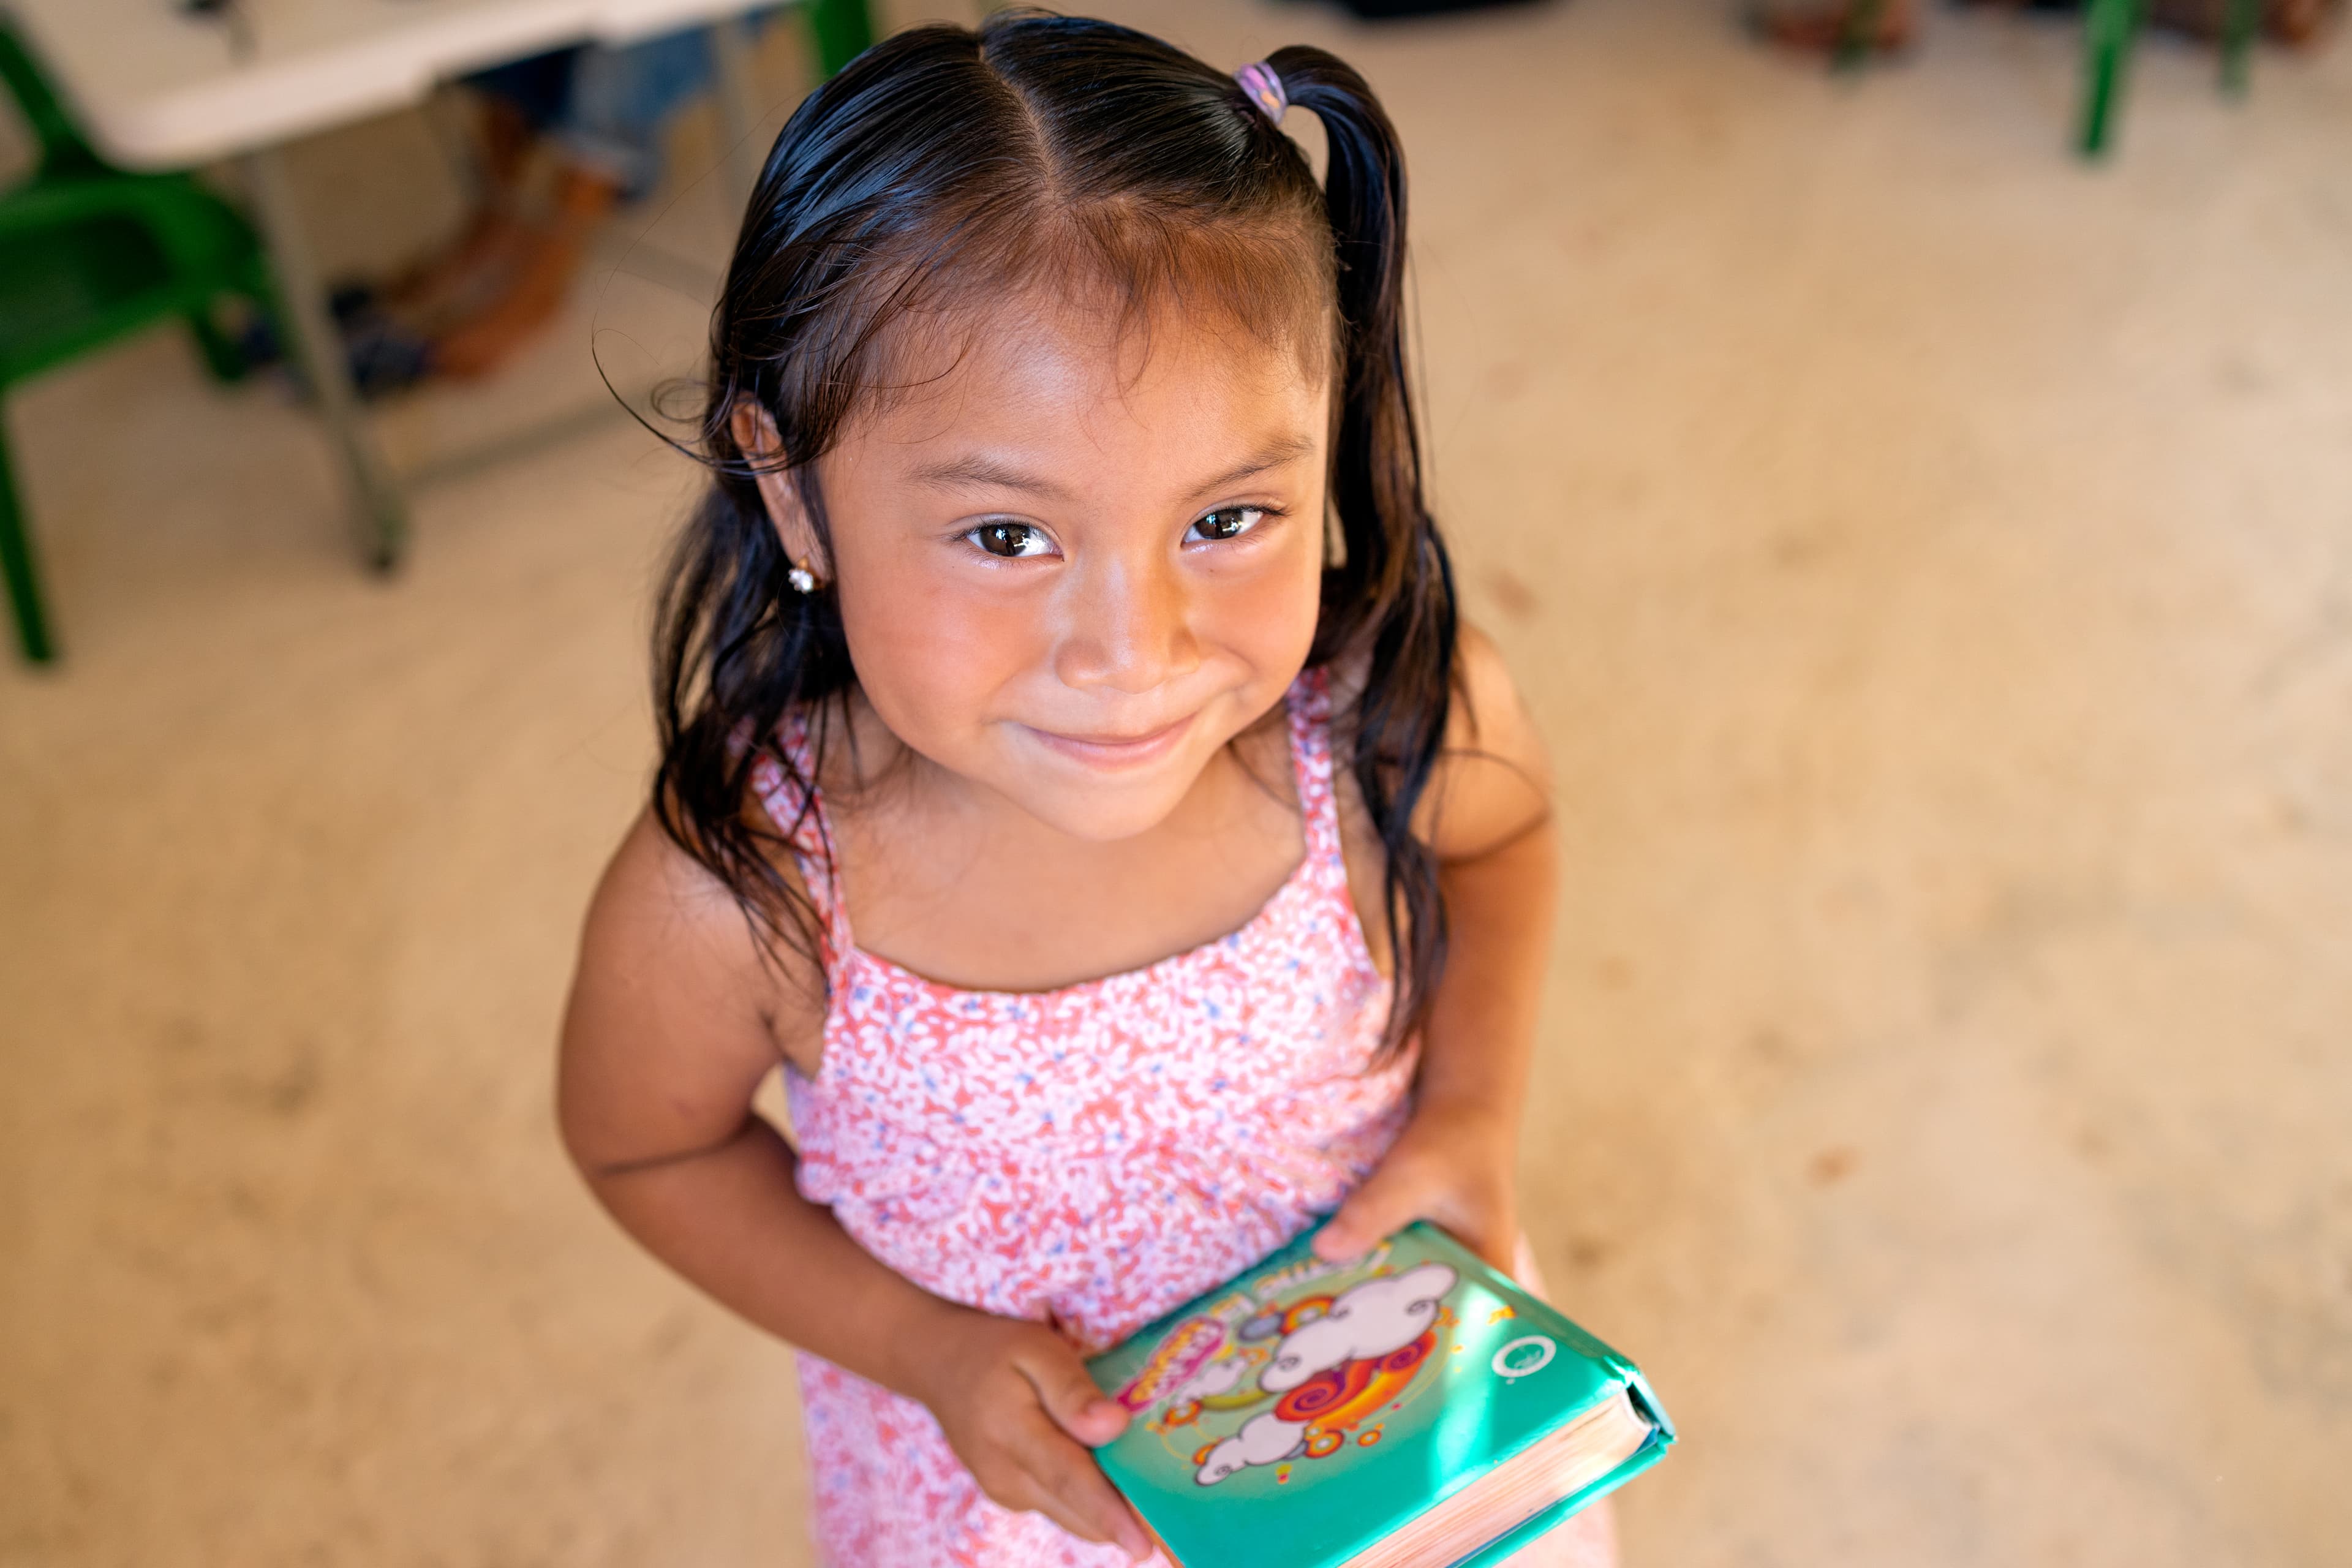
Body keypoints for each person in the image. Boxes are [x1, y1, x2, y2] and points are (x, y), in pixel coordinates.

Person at [557, 14, 1609, 1567]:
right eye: (1006, 537)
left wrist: (1471, 1112)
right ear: (792, 486)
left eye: (1233, 514)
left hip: (1400, 1469)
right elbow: (646, 1141)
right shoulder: (749, 884)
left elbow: (1505, 835)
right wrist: (922, 1347)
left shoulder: (1384, 717)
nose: (1136, 653)